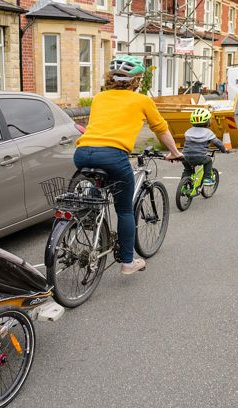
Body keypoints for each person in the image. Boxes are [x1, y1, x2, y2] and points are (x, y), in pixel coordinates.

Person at [75, 55, 183, 275]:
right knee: (124, 209)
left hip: (82, 153)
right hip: (113, 156)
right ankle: (127, 262)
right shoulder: (142, 100)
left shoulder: (99, 98)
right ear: (135, 81)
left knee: (100, 180)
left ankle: (90, 210)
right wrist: (175, 152)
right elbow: (160, 128)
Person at [181, 108, 226, 186]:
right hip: (199, 157)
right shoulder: (208, 133)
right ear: (208, 122)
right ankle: (207, 179)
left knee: (188, 170)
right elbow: (217, 143)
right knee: (208, 161)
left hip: (185, 156)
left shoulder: (188, 131)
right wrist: (223, 149)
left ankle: (183, 185)